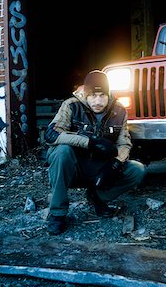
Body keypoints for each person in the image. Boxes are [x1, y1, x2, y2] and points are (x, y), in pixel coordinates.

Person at [44, 69, 146, 235]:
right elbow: (51, 135)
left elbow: (124, 142)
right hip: (73, 166)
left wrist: (116, 163)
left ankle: (98, 197)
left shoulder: (119, 110)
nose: (98, 101)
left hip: (99, 168)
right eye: (93, 95)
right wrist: (89, 142)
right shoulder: (71, 105)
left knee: (137, 170)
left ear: (108, 94)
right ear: (85, 93)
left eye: (102, 96)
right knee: (61, 152)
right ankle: (57, 213)